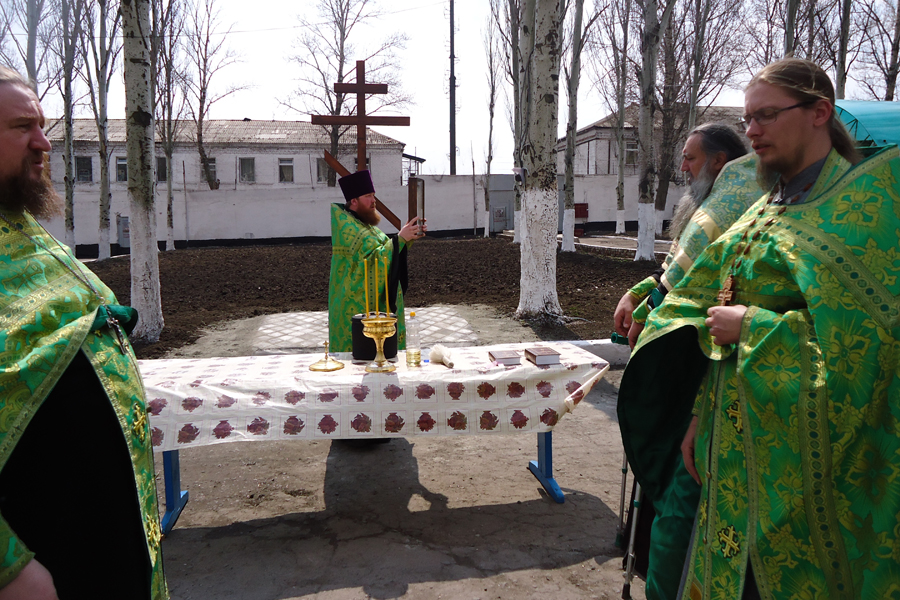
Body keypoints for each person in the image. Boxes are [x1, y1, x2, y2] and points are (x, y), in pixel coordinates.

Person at [625, 58, 900, 599]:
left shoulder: (867, 208)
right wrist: (700, 416)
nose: (751, 131)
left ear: (820, 112)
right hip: (730, 439)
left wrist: (752, 326)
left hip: (810, 457)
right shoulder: (765, 203)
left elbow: (873, 344)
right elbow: (709, 295)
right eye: (748, 119)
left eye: (767, 116)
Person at [0, 67, 167, 598]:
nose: (44, 142)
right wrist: (9, 568)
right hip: (45, 564)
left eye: (43, 125)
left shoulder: (18, 225)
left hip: (101, 539)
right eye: (23, 126)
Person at [615, 123, 760, 600]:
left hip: (709, 370)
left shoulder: (732, 206)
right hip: (690, 363)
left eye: (691, 158)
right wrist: (640, 292)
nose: (682, 167)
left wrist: (649, 308)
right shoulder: (710, 205)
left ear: (720, 162)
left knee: (684, 501)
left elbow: (686, 283)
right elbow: (676, 268)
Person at [328, 169, 425, 353]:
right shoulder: (350, 228)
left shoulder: (363, 224)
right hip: (354, 309)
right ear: (354, 201)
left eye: (374, 195)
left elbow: (386, 248)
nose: (374, 201)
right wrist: (400, 239)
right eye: (368, 196)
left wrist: (407, 237)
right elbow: (373, 260)